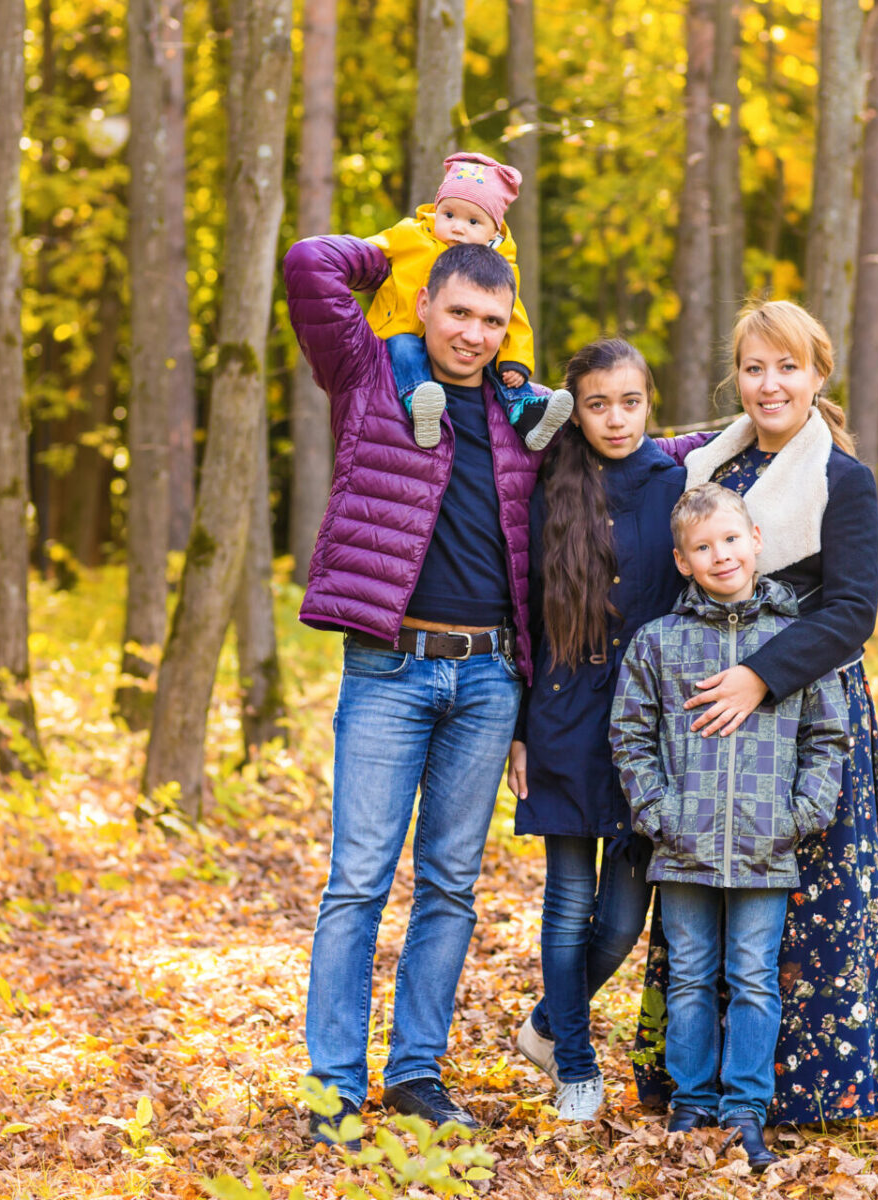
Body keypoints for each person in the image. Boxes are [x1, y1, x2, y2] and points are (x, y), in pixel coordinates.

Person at [283, 233, 544, 1146]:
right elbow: (311, 264)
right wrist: (426, 235)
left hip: (487, 676)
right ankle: (333, 1089)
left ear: (509, 328)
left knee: (450, 886)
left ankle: (416, 1077)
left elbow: (627, 449)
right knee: (357, 882)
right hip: (389, 668)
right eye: (458, 311)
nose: (472, 333)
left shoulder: (525, 417)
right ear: (425, 304)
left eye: (490, 319)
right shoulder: (372, 378)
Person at [631, 299, 878, 1125]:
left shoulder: (841, 480)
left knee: (808, 899)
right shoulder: (709, 476)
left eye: (787, 367)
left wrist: (760, 676)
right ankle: (696, 1091)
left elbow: (851, 611)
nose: (770, 384)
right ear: (737, 378)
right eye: (754, 368)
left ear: (817, 374)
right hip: (707, 719)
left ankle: (803, 1092)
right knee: (703, 902)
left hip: (803, 702)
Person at [611, 483, 850, 1167]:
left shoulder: (795, 642)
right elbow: (630, 734)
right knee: (688, 975)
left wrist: (801, 815)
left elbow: (826, 735)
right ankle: (691, 1105)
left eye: (731, 539)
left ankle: (744, 1111)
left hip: (766, 843)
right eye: (703, 547)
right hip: (682, 845)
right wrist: (660, 814)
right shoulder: (659, 643)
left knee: (752, 976)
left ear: (756, 542)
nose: (721, 555)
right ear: (683, 562)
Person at [503, 339, 687, 1122]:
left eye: (631, 401)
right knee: (569, 894)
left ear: (650, 402)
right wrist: (517, 729)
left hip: (647, 724)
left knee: (621, 918)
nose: (616, 418)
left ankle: (546, 1024)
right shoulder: (551, 484)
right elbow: (523, 614)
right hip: (566, 714)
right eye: (598, 403)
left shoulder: (676, 483)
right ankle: (576, 1065)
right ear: (574, 408)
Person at [364, 150, 572, 451]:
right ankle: (420, 404)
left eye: (473, 222)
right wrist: (345, 262)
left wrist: (517, 360)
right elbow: (369, 249)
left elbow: (513, 318)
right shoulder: (410, 235)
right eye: (448, 215)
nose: (458, 227)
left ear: (493, 232)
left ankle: (526, 410)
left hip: (461, 351)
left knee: (499, 366)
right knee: (404, 348)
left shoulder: (497, 267)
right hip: (405, 329)